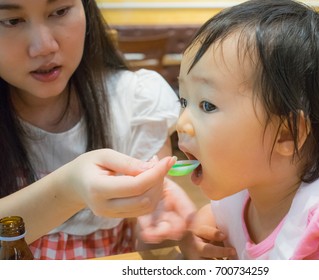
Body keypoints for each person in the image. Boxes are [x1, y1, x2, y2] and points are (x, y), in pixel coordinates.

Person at [176, 0, 319, 259]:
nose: (181, 123)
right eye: (184, 101)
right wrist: (195, 239)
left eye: (207, 105)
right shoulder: (243, 191)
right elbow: (208, 221)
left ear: (286, 134)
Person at [0, 0, 195, 259]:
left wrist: (163, 229)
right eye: (12, 20)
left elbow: (144, 243)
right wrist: (69, 189)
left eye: (59, 11)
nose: (44, 47)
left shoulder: (136, 101)